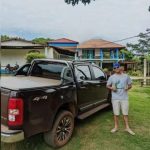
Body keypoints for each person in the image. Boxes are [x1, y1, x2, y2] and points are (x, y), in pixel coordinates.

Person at [107, 62, 135, 135]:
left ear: (120, 67)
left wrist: (127, 88)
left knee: (125, 113)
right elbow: (107, 85)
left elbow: (130, 85)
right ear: (113, 69)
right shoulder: (112, 77)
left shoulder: (126, 76)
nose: (116, 69)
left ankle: (127, 128)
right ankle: (116, 127)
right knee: (116, 113)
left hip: (124, 98)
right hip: (115, 98)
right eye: (115, 68)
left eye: (117, 67)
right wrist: (112, 88)